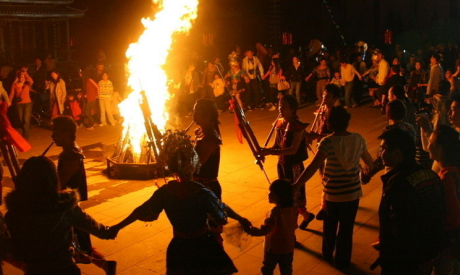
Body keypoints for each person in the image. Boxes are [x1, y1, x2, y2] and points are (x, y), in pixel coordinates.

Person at [109, 127, 247, 275]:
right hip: (204, 246)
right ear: (193, 166)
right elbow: (221, 211)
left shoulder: (165, 193)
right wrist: (240, 218)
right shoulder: (200, 192)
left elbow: (140, 211)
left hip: (179, 247)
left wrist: (117, 226)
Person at [5, 156, 117, 275]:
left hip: (35, 270)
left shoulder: (14, 212)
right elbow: (101, 231)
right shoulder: (65, 207)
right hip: (65, 268)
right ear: (53, 179)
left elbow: (15, 247)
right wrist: (118, 226)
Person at [294, 106, 374, 269]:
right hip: (352, 194)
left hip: (332, 195)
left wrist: (297, 184)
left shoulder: (327, 142)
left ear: (329, 123)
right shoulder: (358, 139)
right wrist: (358, 168)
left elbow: (313, 167)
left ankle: (327, 254)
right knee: (346, 230)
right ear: (347, 121)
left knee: (330, 227)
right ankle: (343, 261)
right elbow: (370, 163)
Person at [373, 127, 445, 275]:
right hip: (426, 254)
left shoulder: (399, 183)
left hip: (403, 261)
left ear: (398, 153)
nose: (381, 154)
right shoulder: (429, 175)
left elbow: (401, 228)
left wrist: (389, 255)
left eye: (384, 149)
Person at [52, 116, 116, 274]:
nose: (52, 136)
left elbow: (59, 184)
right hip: (68, 207)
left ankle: (104, 265)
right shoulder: (71, 153)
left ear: (67, 134)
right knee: (79, 243)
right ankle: (106, 265)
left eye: (55, 132)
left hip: (68, 208)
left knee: (72, 244)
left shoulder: (71, 156)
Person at [427, 125, 460, 275]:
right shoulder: (456, 171)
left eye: (430, 142)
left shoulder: (447, 178)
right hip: (456, 247)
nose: (428, 146)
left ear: (440, 148)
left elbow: (454, 219)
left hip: (447, 249)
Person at [261, 95, 315, 229]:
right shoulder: (279, 123)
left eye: (284, 107)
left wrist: (270, 152)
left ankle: (292, 230)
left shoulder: (297, 126)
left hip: (294, 166)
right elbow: (276, 145)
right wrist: (264, 150)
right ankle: (306, 215)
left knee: (293, 197)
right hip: (282, 164)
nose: (280, 109)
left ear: (292, 109)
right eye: (280, 105)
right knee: (285, 195)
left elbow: (293, 150)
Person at [243, 179, 297, 275]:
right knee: (287, 270)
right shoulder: (293, 207)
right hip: (288, 246)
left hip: (274, 248)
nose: (268, 194)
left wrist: (249, 230)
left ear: (280, 197)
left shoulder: (275, 212)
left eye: (272, 193)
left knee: (267, 269)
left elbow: (266, 230)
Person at [9, 70, 33, 139]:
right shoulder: (15, 84)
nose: (22, 78)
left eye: (23, 77)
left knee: (26, 120)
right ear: (18, 78)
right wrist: (9, 101)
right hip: (19, 104)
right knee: (21, 120)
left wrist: (25, 73)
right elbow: (12, 94)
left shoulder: (27, 84)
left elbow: (31, 81)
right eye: (21, 77)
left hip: (27, 104)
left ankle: (25, 136)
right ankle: (24, 133)